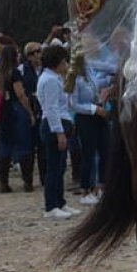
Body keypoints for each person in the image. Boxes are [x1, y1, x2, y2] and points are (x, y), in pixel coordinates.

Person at [37, 44, 79, 220]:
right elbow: (52, 108)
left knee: (60, 166)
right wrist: (59, 132)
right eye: (64, 62)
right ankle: (51, 205)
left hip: (62, 122)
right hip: (54, 125)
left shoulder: (56, 79)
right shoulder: (50, 80)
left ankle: (60, 201)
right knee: (54, 167)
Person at [0, 44, 36, 194]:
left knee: (5, 145)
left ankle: (3, 182)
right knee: (24, 145)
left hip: (3, 110)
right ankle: (27, 181)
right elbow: (20, 94)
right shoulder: (15, 73)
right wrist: (30, 112)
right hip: (16, 109)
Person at [71, 61, 109, 206]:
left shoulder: (91, 71)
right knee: (88, 153)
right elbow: (74, 104)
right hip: (86, 117)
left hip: (99, 114)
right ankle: (86, 188)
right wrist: (94, 109)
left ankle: (102, 185)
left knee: (105, 150)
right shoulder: (74, 77)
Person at [20, 42, 45, 191]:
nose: (38, 55)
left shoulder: (45, 69)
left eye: (39, 51)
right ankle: (27, 180)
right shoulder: (22, 70)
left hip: (43, 110)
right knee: (28, 147)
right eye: (34, 52)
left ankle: (44, 178)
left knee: (43, 147)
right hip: (29, 110)